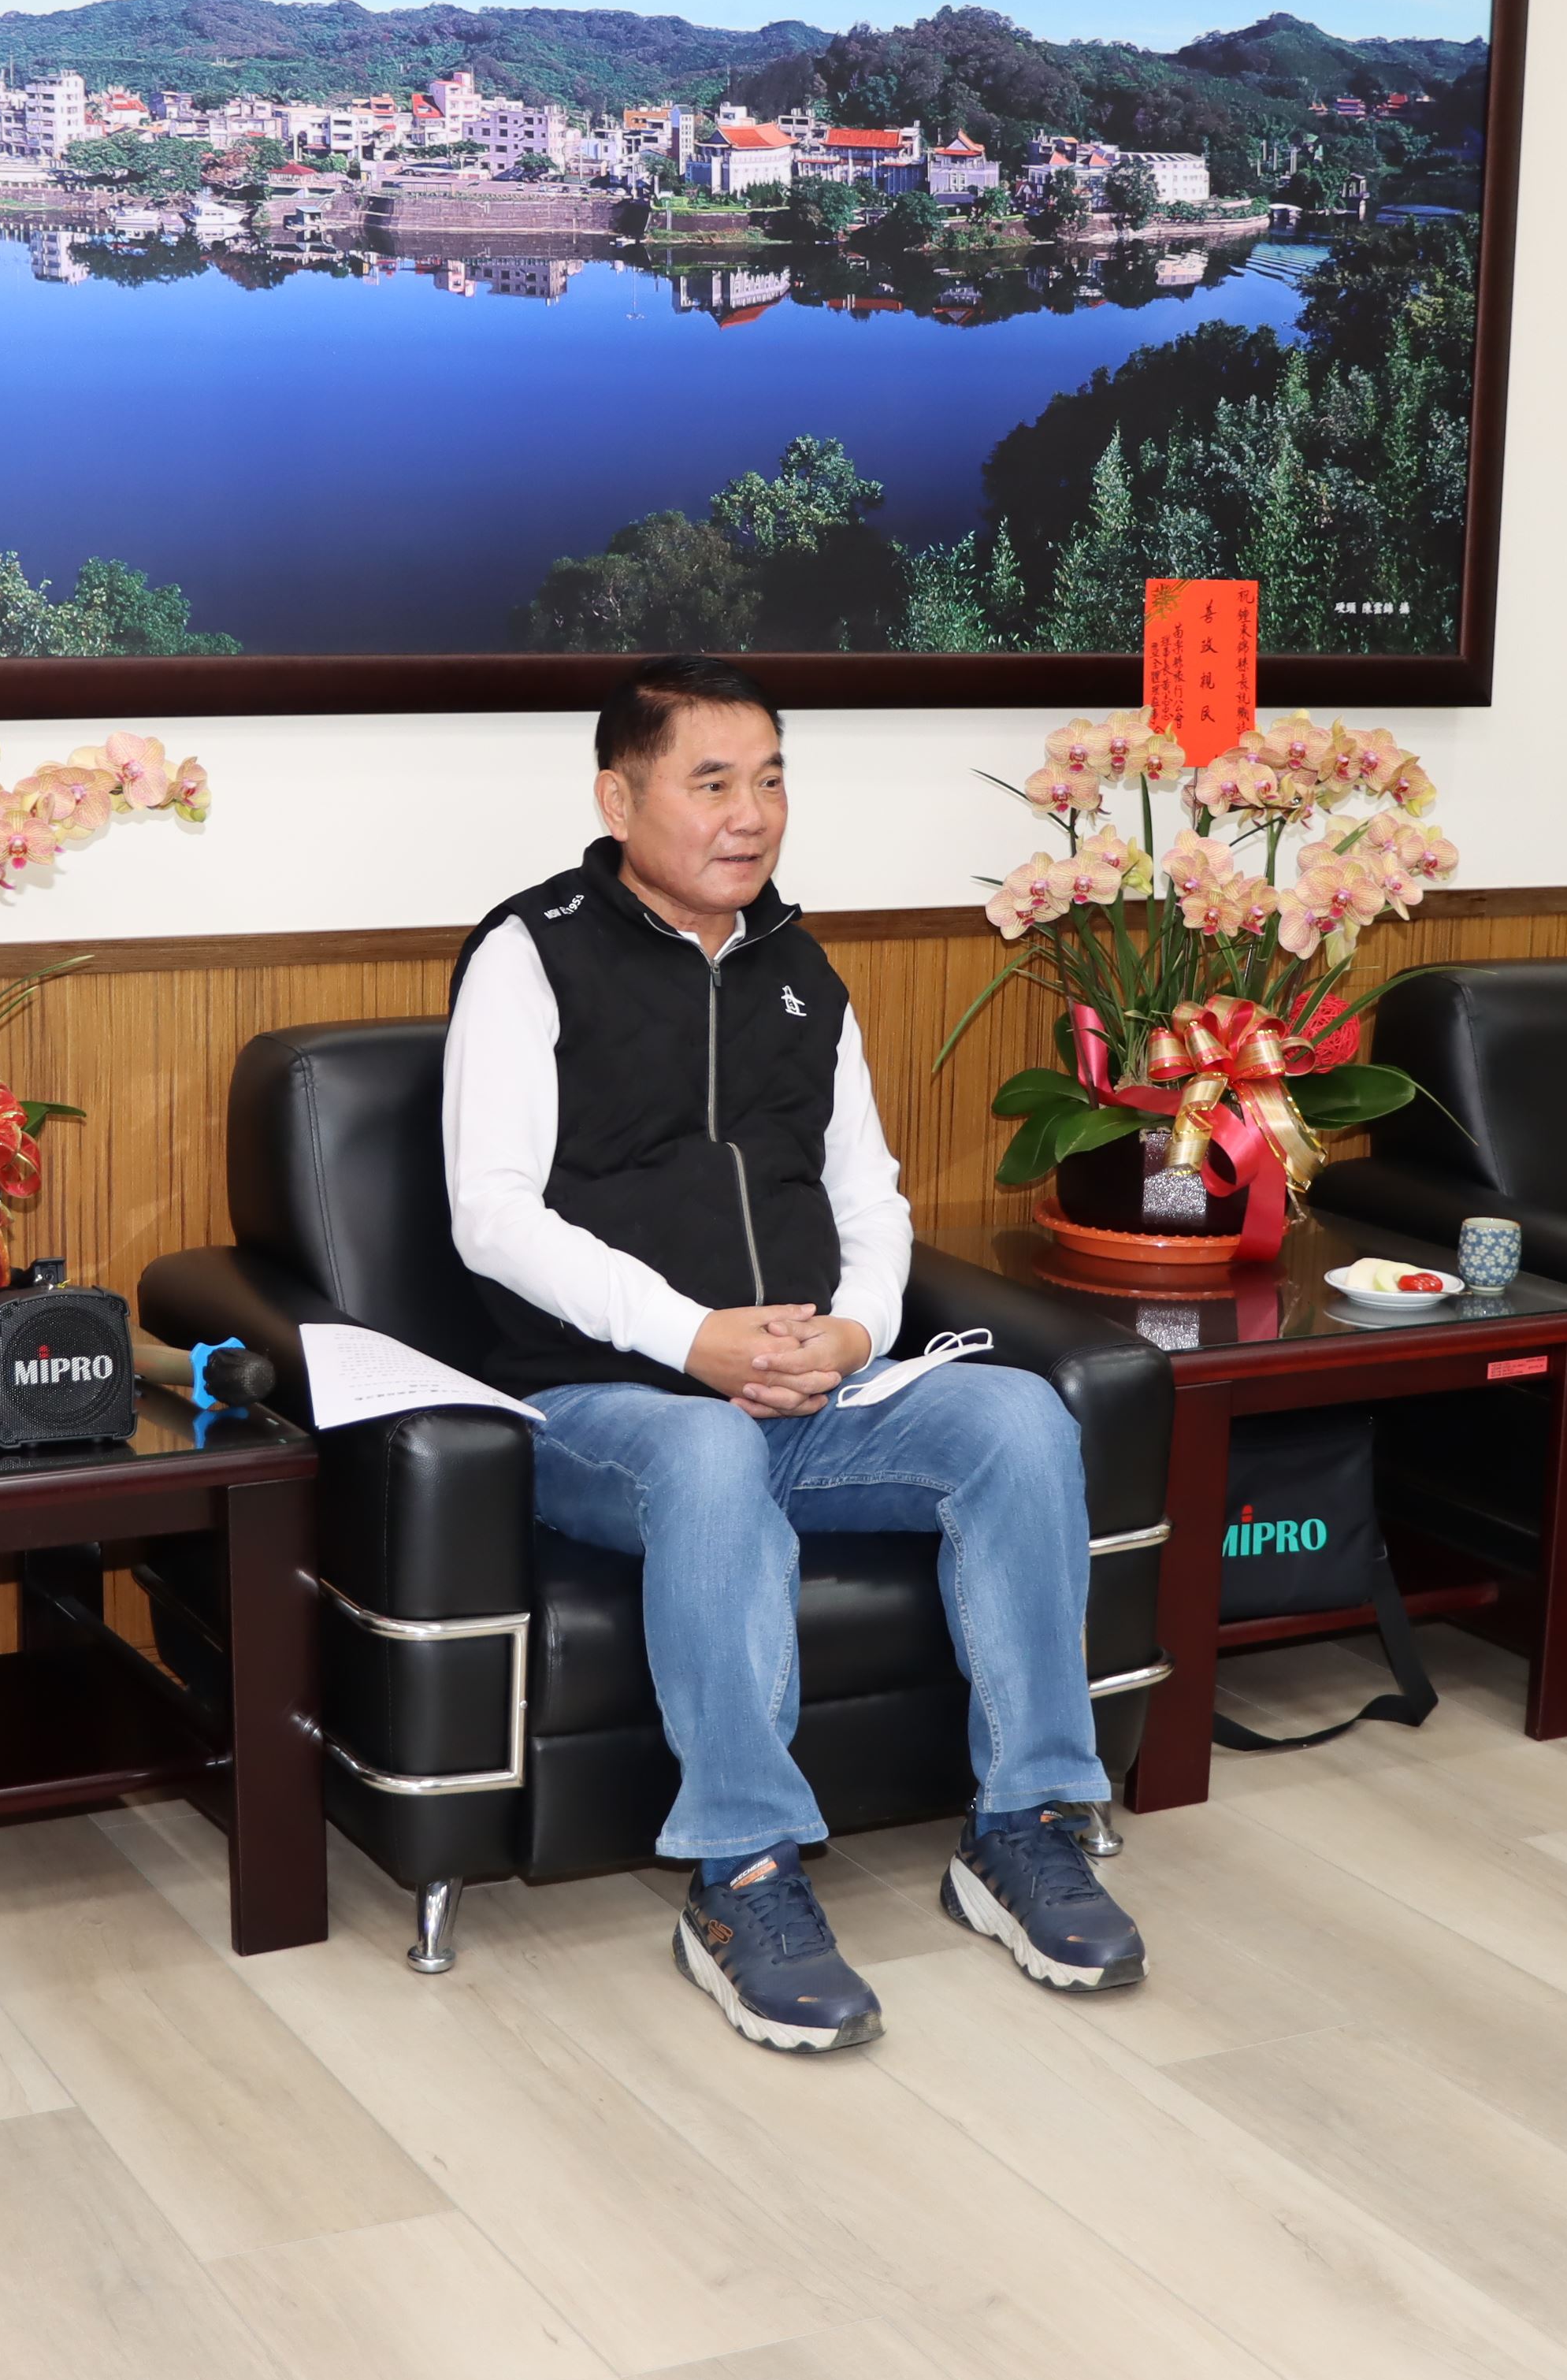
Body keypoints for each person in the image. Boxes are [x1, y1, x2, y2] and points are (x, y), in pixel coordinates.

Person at [443, 655, 1144, 2053]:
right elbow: (491, 1215)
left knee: (1021, 1422)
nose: (750, 813)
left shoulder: (802, 973)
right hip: (602, 1402)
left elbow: (870, 1198)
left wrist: (857, 1329)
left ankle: (1026, 1822)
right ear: (618, 798)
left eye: (769, 780)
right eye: (711, 783)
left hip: (815, 1391)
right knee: (708, 1450)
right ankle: (744, 1877)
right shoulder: (531, 954)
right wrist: (693, 1338)